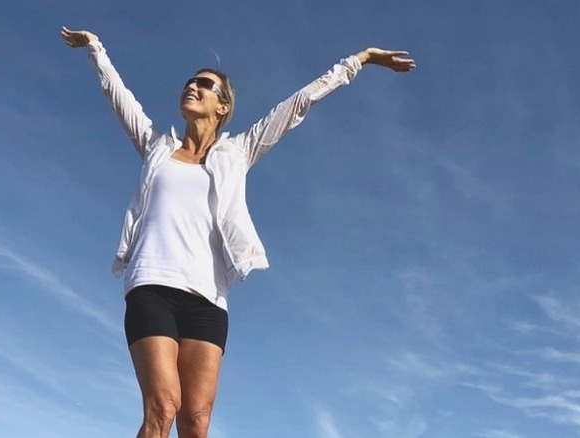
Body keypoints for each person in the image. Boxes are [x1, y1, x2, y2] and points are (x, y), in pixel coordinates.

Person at [61, 26, 415, 438]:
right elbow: (117, 95)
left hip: (209, 299)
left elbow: (298, 104)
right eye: (191, 82)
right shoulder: (156, 147)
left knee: (196, 422)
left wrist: (361, 60)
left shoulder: (238, 151)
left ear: (222, 105)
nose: (193, 86)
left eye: (205, 84)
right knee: (164, 407)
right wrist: (95, 49)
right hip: (152, 284)